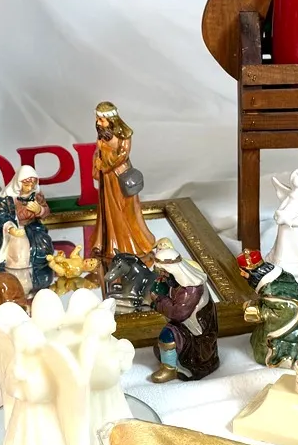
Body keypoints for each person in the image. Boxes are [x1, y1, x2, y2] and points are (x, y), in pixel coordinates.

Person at [91, 101, 155, 261]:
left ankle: (131, 244)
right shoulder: (102, 133)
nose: (98, 123)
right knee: (107, 210)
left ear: (111, 120)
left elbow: (122, 156)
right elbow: (98, 151)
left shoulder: (124, 135)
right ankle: (107, 243)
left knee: (125, 209)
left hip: (119, 176)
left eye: (101, 119)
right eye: (97, 119)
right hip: (106, 178)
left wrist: (105, 165)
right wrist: (96, 163)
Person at [148, 237, 219, 382]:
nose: (162, 276)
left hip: (196, 329)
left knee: (167, 335)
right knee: (164, 343)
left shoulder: (191, 289)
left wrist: (158, 300)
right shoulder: (176, 282)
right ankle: (170, 361)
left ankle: (169, 369)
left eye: (164, 272)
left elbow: (178, 313)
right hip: (186, 324)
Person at [0, 165, 54, 294]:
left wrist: (39, 210)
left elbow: (46, 211)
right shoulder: (7, 199)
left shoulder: (37, 196)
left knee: (43, 248)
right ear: (19, 183)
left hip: (33, 228)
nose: (30, 187)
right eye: (26, 184)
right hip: (11, 230)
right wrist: (10, 228)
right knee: (16, 253)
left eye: (33, 184)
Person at [237, 249, 298, 368]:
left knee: (262, 350)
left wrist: (260, 312)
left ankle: (280, 357)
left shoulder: (274, 290)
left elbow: (289, 310)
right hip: (277, 317)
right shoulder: (272, 282)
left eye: (244, 273)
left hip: (288, 331)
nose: (242, 276)